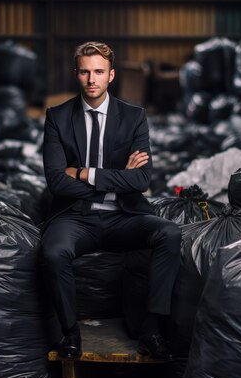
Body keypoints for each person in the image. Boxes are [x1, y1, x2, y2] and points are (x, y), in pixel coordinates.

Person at [40, 41, 181, 360]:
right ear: (76, 74)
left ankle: (152, 328)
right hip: (75, 218)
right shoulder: (58, 117)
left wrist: (86, 173)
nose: (92, 79)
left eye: (99, 72)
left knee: (169, 234)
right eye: (85, 72)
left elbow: (142, 180)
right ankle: (70, 331)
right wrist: (118, 178)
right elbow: (56, 182)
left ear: (111, 75)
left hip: (123, 216)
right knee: (52, 251)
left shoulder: (134, 117)